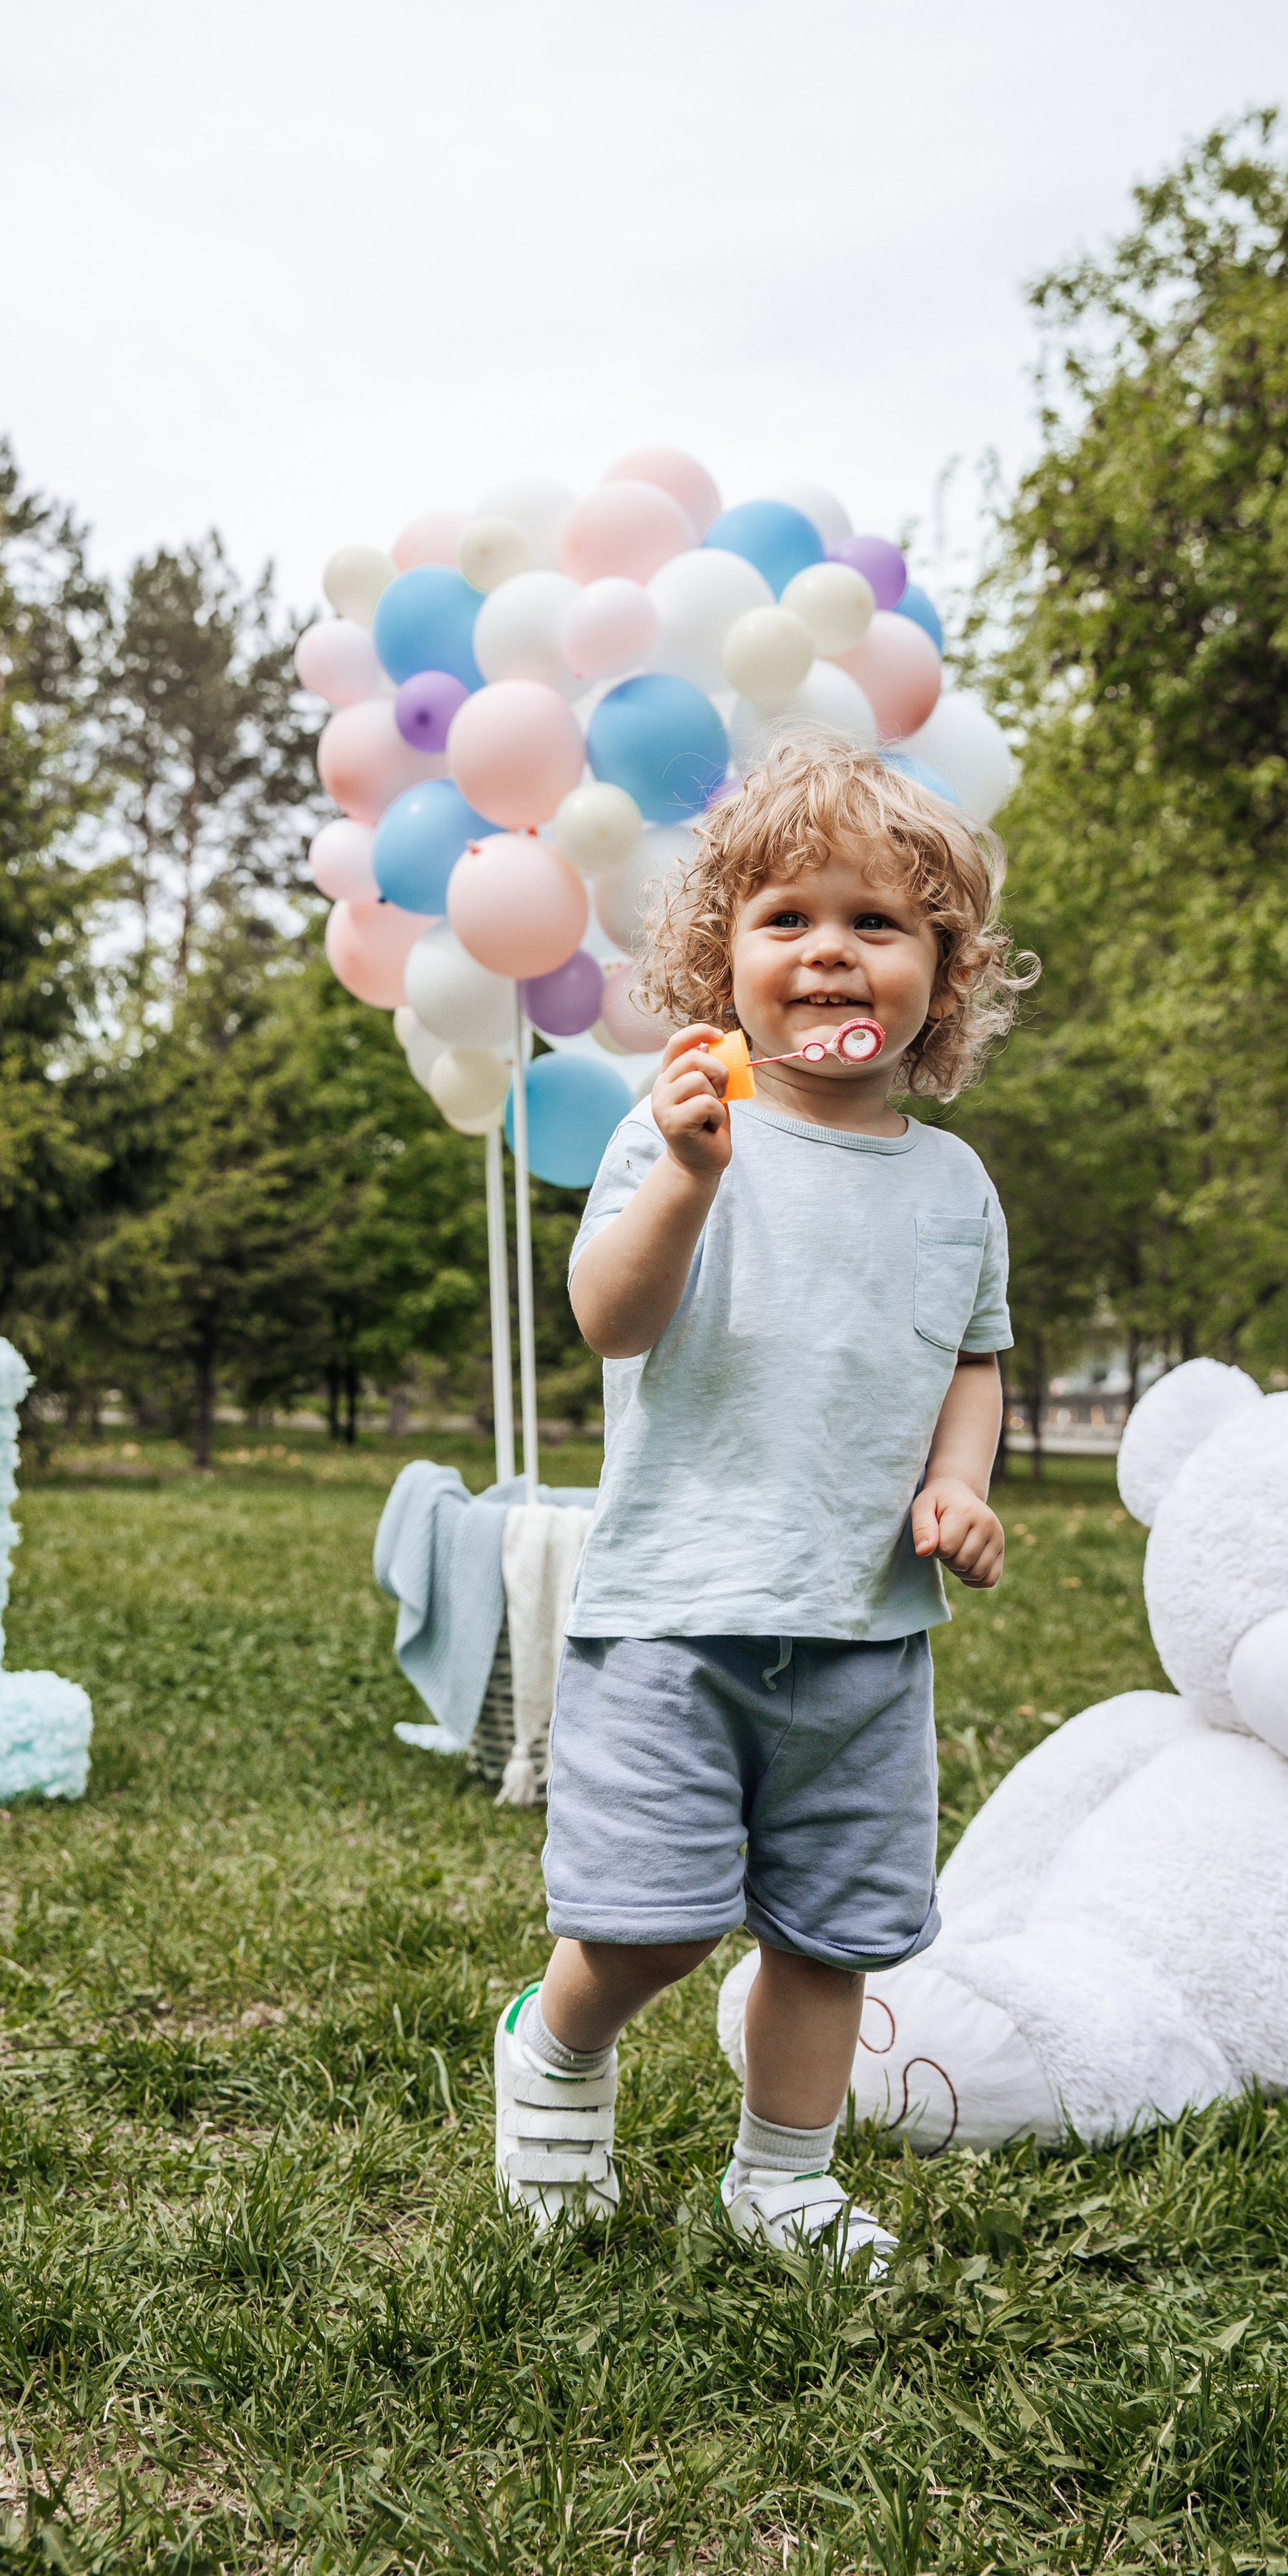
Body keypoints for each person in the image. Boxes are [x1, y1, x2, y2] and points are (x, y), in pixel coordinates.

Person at [493, 735, 1036, 2268]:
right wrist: (683, 1174)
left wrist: (957, 1482)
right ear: (719, 959)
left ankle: (783, 2178)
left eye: (877, 924)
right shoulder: (676, 1129)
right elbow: (610, 1318)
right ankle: (554, 2047)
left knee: (829, 1933)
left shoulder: (953, 1186)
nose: (830, 952)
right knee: (650, 1924)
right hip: (672, 1614)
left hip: (864, 1632)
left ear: (944, 973)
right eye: (787, 918)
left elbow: (973, 1360)